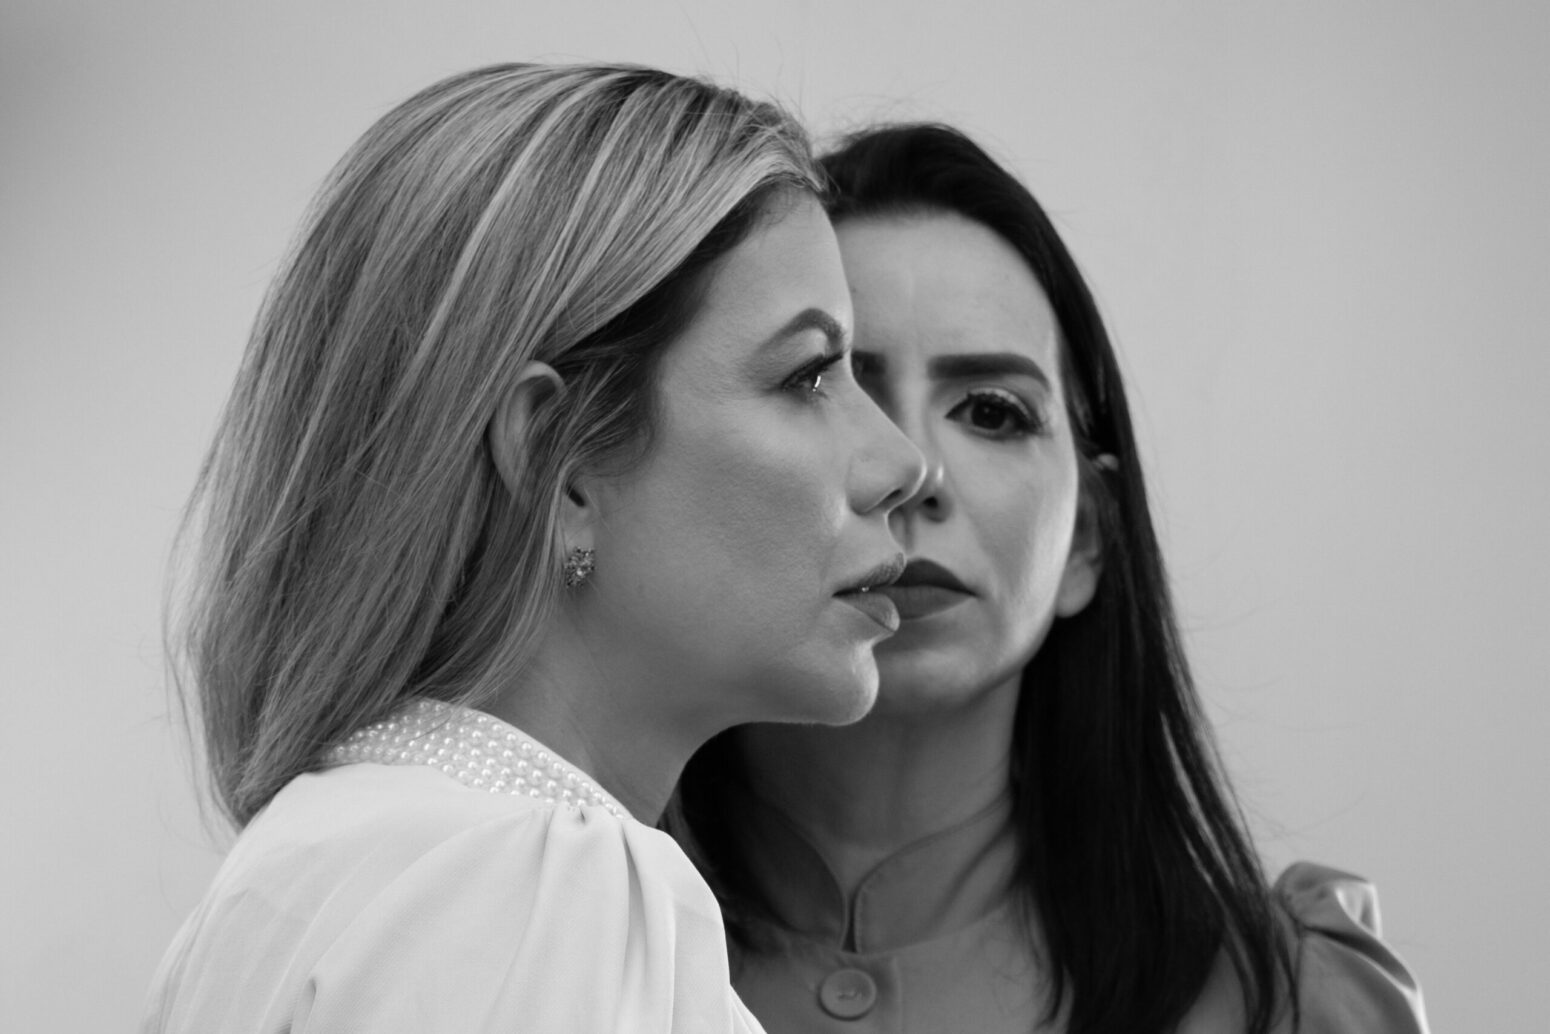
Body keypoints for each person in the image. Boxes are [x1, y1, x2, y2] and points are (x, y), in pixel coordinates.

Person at [143, 64, 926, 1033]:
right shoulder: (543, 882)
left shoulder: (297, 873)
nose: (902, 462)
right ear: (562, 461)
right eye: (806, 375)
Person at [666, 124, 1431, 1034]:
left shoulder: (1292, 1003)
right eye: (826, 388)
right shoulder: (551, 928)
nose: (911, 469)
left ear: (1087, 542)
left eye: (992, 412)